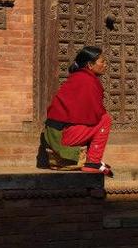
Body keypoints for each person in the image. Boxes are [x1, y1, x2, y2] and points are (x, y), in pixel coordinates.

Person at [37, 46, 113, 176]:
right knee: (105, 120)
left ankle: (92, 161)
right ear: (90, 64)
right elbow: (95, 115)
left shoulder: (78, 77)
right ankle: (93, 162)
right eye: (102, 62)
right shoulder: (87, 81)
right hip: (61, 137)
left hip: (57, 133)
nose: (106, 65)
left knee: (99, 119)